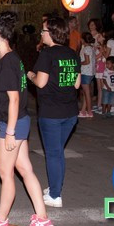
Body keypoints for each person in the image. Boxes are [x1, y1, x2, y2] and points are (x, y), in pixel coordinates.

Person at [0, 11, 53, 226]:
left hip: (13, 124)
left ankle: (1, 218)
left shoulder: (8, 62)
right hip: (20, 121)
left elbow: (14, 99)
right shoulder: (12, 59)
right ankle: (42, 218)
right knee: (24, 169)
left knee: (5, 172)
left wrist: (9, 132)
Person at [27, 17, 81, 208]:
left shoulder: (47, 54)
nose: (41, 34)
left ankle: (55, 196)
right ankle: (54, 187)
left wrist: (31, 75)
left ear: (51, 33)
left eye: (43, 31)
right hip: (70, 112)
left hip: (51, 112)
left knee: (53, 154)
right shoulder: (72, 53)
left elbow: (41, 83)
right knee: (58, 152)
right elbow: (77, 84)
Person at [88, 18, 104, 113]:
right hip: (91, 61)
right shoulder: (89, 36)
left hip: (98, 61)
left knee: (99, 84)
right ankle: (97, 103)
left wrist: (95, 58)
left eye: (93, 24)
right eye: (90, 24)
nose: (91, 26)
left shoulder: (99, 36)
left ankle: (100, 104)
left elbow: (102, 50)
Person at [78, 32, 96, 118]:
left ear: (83, 40)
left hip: (86, 72)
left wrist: (79, 63)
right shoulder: (91, 48)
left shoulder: (86, 49)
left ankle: (89, 111)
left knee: (86, 93)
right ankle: (83, 111)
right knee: (86, 93)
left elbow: (87, 61)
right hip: (90, 72)